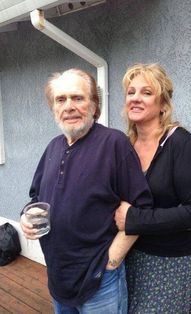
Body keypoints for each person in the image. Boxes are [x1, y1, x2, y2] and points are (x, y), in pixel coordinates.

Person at [20, 68, 153, 314]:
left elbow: (142, 208)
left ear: (94, 105)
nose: (69, 106)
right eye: (61, 99)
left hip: (100, 282)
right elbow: (36, 198)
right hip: (59, 278)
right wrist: (26, 218)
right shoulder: (52, 148)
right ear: (53, 108)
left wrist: (112, 261)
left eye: (78, 98)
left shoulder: (114, 144)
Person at [115, 63, 191, 314]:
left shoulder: (181, 144)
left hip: (169, 262)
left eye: (146, 92)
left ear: (163, 105)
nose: (135, 98)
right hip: (130, 255)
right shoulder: (126, 145)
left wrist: (135, 218)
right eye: (131, 92)